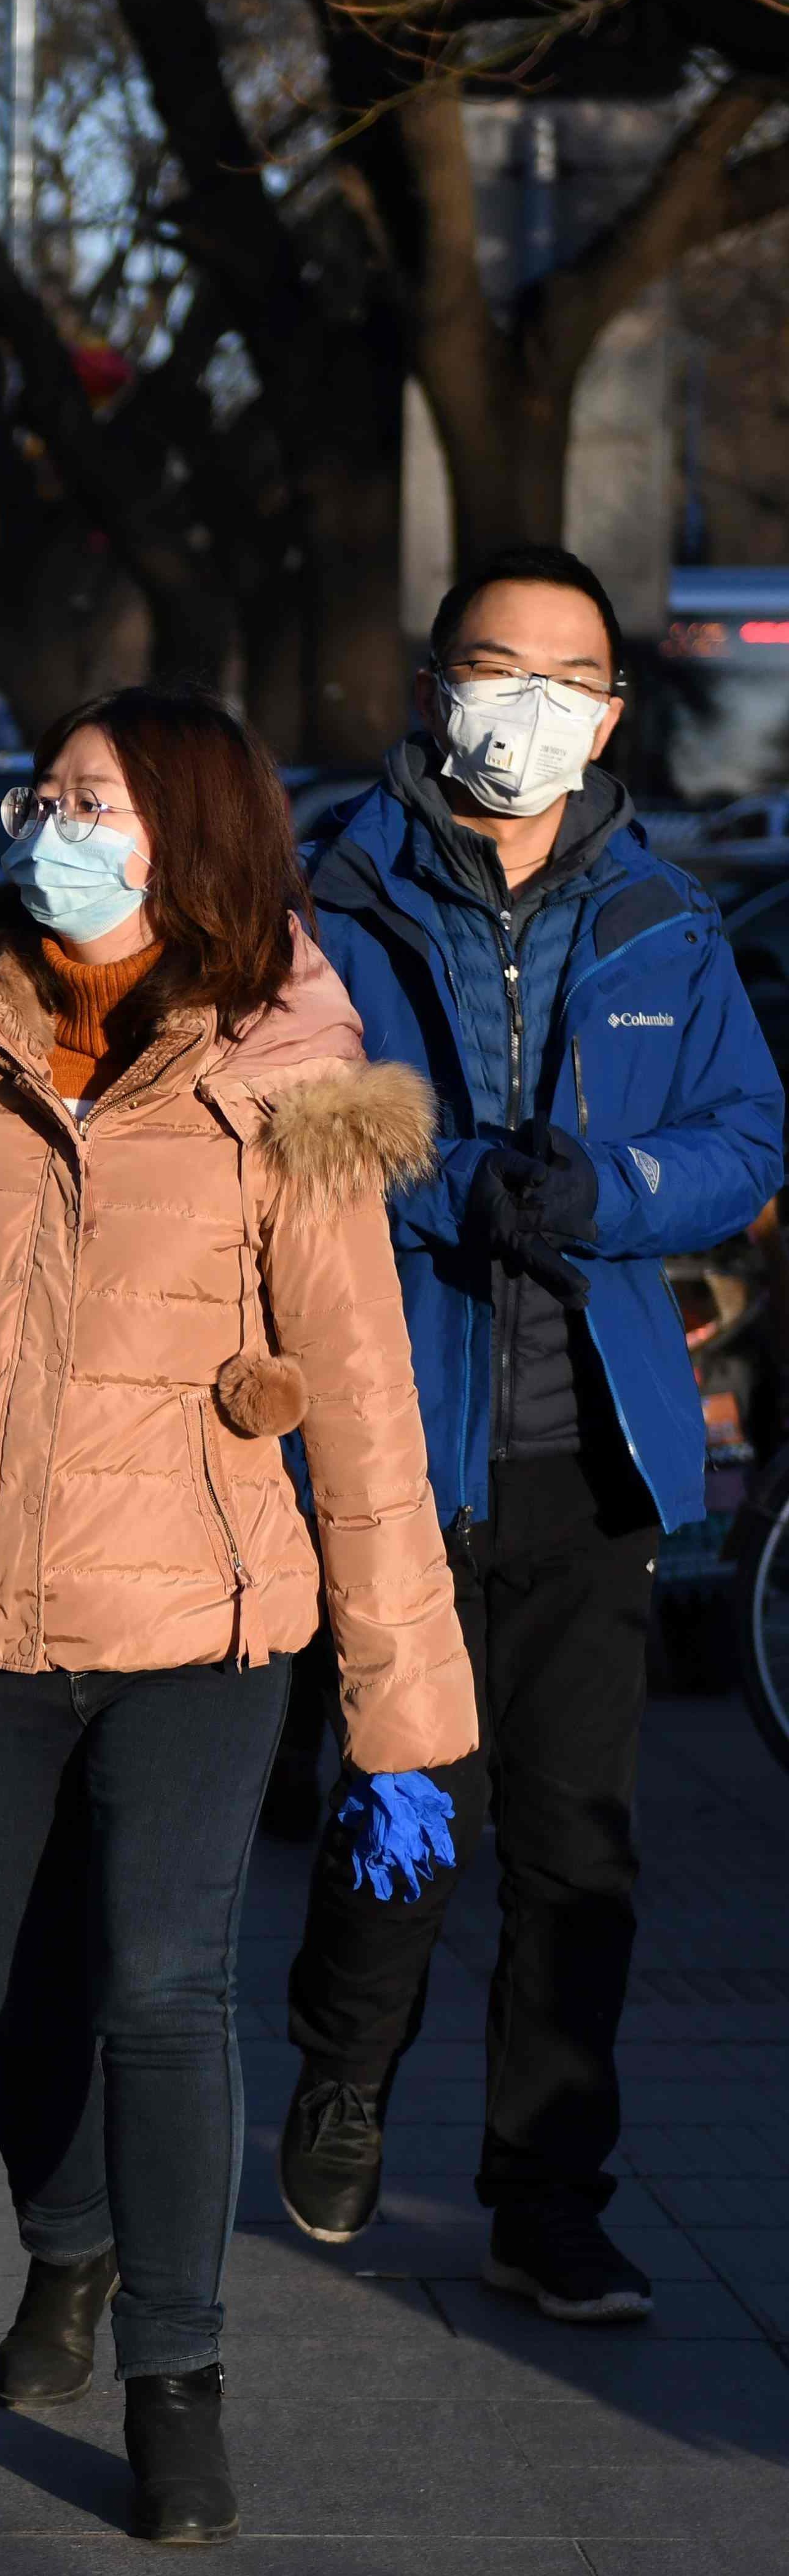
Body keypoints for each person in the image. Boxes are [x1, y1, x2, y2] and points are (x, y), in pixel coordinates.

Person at [0, 688, 475, 2542]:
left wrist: (401, 1706)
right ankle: (67, 2243)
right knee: (5, 1989)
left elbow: (363, 1403)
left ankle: (177, 2377)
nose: (56, 824)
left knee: (163, 1989)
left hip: (201, 1620)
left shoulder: (286, 1081)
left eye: (95, 798)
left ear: (189, 834)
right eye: (46, 794)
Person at [279, 548, 786, 2318]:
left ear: (612, 713)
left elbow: (745, 1135)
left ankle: (548, 2194)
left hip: (593, 1459)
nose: (532, 709)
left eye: (570, 680)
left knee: (580, 1848)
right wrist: (455, 1186)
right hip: (398, 1444)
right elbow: (289, 1117)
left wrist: (609, 1188)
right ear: (436, 690)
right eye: (500, 671)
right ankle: (345, 2065)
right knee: (407, 1807)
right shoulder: (333, 899)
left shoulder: (664, 915)